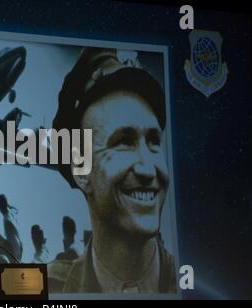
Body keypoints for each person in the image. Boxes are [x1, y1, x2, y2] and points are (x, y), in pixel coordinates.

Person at [48, 48, 176, 293]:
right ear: (82, 170)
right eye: (124, 142)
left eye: (153, 141)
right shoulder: (45, 292)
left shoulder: (200, 286)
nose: (148, 170)